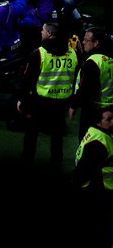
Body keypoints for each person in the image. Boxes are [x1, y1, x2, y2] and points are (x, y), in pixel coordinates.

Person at [18, 22, 77, 170]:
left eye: (43, 30)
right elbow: (76, 77)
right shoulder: (73, 53)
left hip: (41, 100)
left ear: (50, 34)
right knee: (57, 136)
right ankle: (56, 163)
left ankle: (27, 160)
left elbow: (27, 79)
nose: (41, 32)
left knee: (31, 133)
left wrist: (22, 99)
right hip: (62, 101)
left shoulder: (39, 53)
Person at [75, 107, 113, 193]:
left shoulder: (94, 131)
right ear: (98, 123)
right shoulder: (97, 144)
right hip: (100, 186)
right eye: (109, 120)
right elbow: (86, 171)